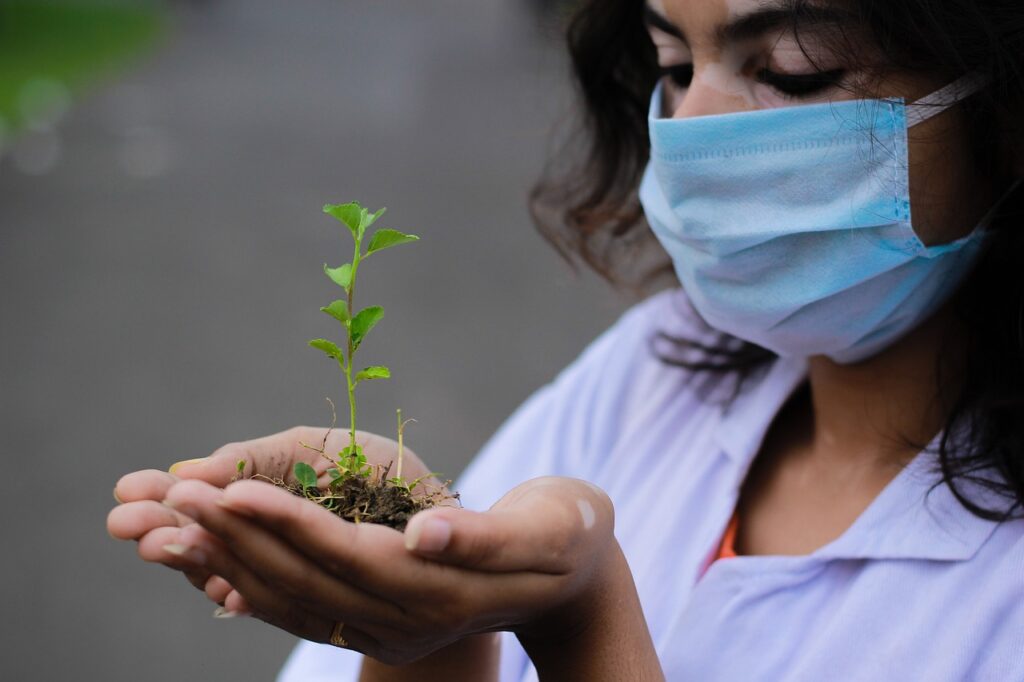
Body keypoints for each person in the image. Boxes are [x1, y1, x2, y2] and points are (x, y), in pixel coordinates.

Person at [108, 0, 1024, 679]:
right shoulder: (655, 369)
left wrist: (579, 615)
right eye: (673, 66)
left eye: (794, 70)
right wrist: (430, 624)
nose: (691, 133)